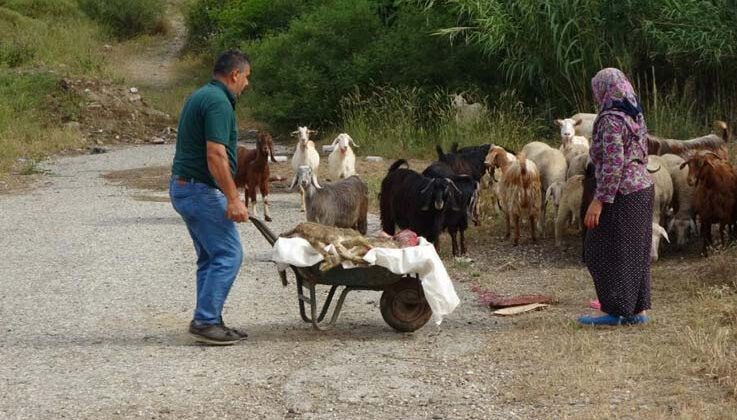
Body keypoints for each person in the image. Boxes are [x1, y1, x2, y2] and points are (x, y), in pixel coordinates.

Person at [169, 50, 251, 345]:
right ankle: (205, 321)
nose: (247, 84)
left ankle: (209, 318)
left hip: (187, 187)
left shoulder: (202, 95)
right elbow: (215, 153)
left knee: (210, 257)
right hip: (199, 189)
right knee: (229, 254)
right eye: (246, 77)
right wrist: (233, 198)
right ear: (234, 75)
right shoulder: (218, 102)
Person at [578, 67, 654, 326]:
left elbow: (613, 163)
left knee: (598, 248)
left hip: (621, 192)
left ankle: (614, 310)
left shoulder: (609, 119)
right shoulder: (634, 114)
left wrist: (599, 200)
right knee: (635, 251)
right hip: (642, 188)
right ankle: (637, 310)